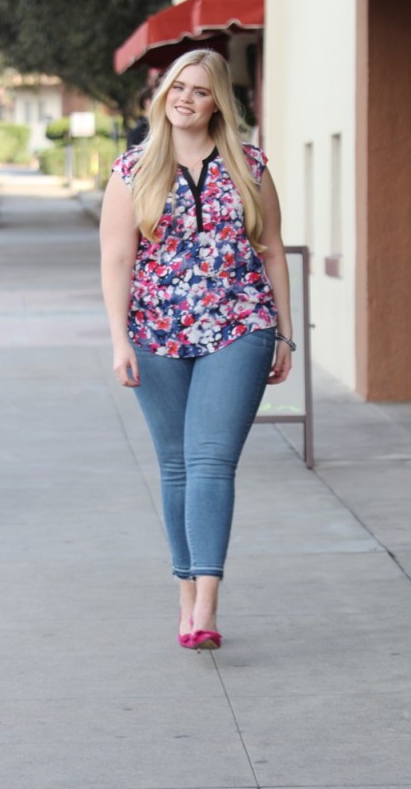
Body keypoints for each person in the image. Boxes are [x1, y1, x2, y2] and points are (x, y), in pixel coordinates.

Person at [100, 49, 294, 652]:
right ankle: (184, 593)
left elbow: (272, 251)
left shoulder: (251, 166)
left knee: (211, 460)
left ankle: (206, 603)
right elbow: (117, 258)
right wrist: (118, 339)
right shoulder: (132, 169)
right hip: (156, 331)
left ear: (218, 104)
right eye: (177, 87)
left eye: (201, 91)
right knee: (177, 465)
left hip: (240, 325)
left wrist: (284, 333)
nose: (186, 98)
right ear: (163, 96)